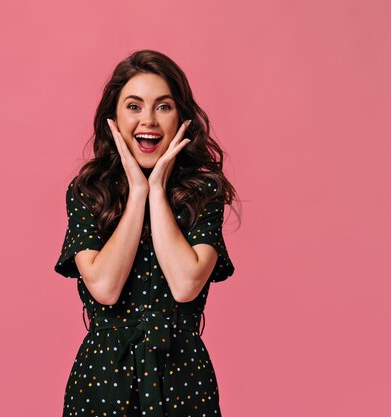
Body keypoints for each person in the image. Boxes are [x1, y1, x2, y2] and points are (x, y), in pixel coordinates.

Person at [54, 49, 238, 417]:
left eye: (163, 106)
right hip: (103, 380)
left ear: (181, 117)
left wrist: (157, 191)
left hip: (183, 380)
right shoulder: (88, 191)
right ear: (114, 119)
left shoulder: (205, 192)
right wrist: (137, 193)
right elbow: (105, 288)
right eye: (134, 106)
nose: (148, 120)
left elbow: (186, 284)